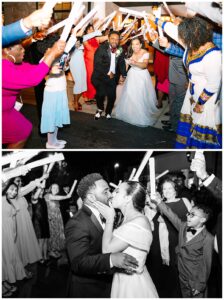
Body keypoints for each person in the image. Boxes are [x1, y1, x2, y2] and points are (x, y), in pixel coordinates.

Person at [150, 16, 222, 148]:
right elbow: (172, 30)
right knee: (188, 127)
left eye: (184, 36)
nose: (181, 39)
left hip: (206, 100)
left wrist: (200, 103)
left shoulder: (214, 55)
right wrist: (154, 19)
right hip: (191, 93)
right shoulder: (191, 45)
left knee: (201, 129)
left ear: (194, 34)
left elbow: (214, 84)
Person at [65, 173, 138, 298]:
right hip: (88, 289)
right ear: (91, 197)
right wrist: (111, 259)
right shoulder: (77, 223)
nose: (111, 195)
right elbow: (78, 262)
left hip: (107, 284)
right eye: (106, 192)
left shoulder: (108, 213)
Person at [92, 181, 158, 298]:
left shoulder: (138, 222)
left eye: (117, 192)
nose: (112, 194)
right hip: (122, 278)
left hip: (132, 285)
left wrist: (109, 219)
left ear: (128, 198)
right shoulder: (128, 218)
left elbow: (107, 250)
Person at [2, 39, 65, 149]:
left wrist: (49, 66)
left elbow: (29, 69)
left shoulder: (8, 62)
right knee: (21, 132)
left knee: (24, 129)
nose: (24, 51)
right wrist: (51, 54)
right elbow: (31, 78)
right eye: (20, 48)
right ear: (7, 50)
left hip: (6, 110)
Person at [153, 192, 214, 298]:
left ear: (202, 220)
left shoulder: (208, 238)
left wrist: (200, 285)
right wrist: (159, 201)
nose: (188, 217)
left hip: (195, 279)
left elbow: (206, 265)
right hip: (182, 275)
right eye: (188, 213)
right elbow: (171, 215)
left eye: (192, 215)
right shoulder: (183, 227)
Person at [115, 37, 159, 126]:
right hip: (132, 75)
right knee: (130, 94)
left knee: (139, 95)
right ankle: (129, 113)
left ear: (141, 44)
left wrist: (135, 63)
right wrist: (123, 75)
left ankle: (139, 114)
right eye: (133, 44)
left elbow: (144, 65)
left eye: (137, 44)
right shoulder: (129, 53)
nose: (135, 46)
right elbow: (126, 65)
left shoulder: (145, 53)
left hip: (142, 76)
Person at [12, 174, 49, 269]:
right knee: (20, 241)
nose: (19, 182)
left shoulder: (20, 193)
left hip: (26, 219)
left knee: (26, 241)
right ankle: (20, 266)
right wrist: (41, 178)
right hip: (19, 220)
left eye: (20, 181)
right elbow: (28, 187)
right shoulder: (15, 193)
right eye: (17, 181)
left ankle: (25, 264)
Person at [92, 31, 127, 120]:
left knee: (112, 96)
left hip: (112, 78)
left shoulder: (120, 49)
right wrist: (108, 73)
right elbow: (97, 64)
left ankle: (108, 112)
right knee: (100, 95)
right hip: (100, 76)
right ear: (108, 39)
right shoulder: (101, 48)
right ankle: (100, 109)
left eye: (117, 39)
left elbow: (121, 62)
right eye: (112, 38)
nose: (114, 41)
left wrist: (124, 74)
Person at [2, 182, 27, 297]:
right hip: (2, 232)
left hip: (10, 232)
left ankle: (5, 281)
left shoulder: (10, 200)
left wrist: (14, 232)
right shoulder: (1, 198)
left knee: (9, 257)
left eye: (15, 190)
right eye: (11, 189)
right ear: (5, 188)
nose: (14, 192)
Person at [40, 61, 70, 149]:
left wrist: (66, 65)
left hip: (61, 88)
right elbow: (44, 71)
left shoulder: (60, 56)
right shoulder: (48, 57)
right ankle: (50, 143)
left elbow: (63, 69)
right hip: (52, 91)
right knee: (51, 117)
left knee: (57, 116)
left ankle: (54, 140)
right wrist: (52, 69)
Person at [44, 182, 76, 258]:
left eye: (57, 188)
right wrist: (67, 196)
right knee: (53, 234)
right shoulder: (48, 196)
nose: (56, 189)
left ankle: (55, 250)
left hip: (57, 217)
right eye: (54, 187)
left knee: (57, 233)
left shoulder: (55, 197)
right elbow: (57, 198)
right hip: (52, 218)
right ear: (50, 189)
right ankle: (51, 251)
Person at [83, 24, 108, 102]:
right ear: (86, 31)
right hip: (89, 63)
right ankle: (87, 96)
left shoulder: (97, 39)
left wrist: (116, 30)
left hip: (97, 62)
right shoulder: (84, 40)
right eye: (89, 29)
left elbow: (108, 37)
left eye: (92, 29)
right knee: (90, 78)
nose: (91, 30)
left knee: (97, 78)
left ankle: (95, 95)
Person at [31, 184, 50, 264]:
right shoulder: (34, 199)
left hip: (45, 221)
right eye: (39, 189)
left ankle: (45, 256)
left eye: (42, 189)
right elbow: (36, 196)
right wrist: (41, 185)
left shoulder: (43, 199)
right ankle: (40, 258)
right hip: (38, 222)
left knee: (46, 240)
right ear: (36, 191)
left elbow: (44, 211)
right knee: (41, 241)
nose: (42, 190)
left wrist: (48, 218)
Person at [69, 38, 86, 111]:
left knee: (83, 84)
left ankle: (76, 100)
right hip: (74, 63)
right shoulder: (72, 40)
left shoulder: (81, 38)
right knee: (78, 83)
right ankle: (75, 102)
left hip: (81, 63)